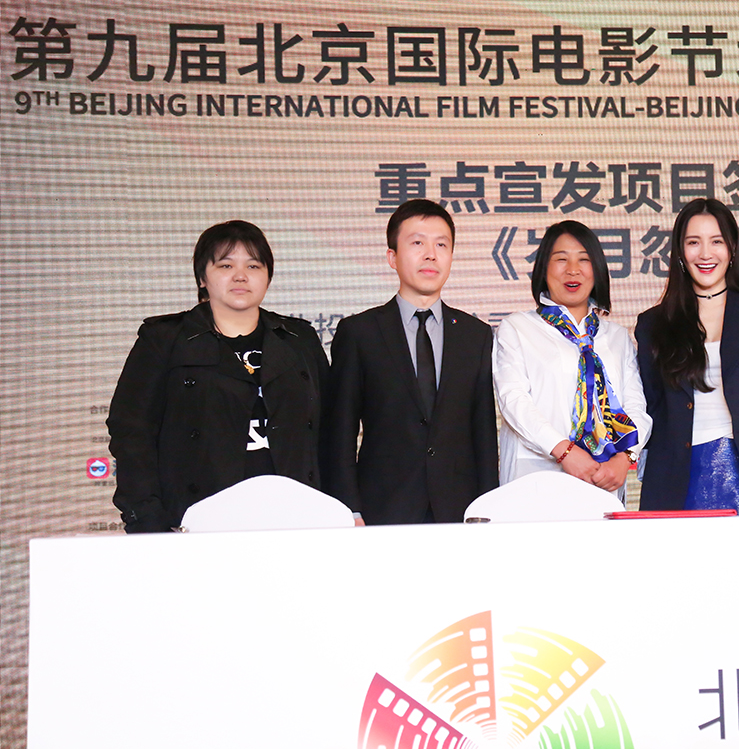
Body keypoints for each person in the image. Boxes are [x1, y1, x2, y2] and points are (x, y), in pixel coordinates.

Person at [108, 221, 328, 533]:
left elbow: (330, 430)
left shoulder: (297, 338)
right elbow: (131, 432)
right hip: (197, 521)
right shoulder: (165, 339)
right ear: (202, 277)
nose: (240, 275)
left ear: (268, 276)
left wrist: (338, 507)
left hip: (294, 515)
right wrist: (147, 520)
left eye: (253, 265)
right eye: (226, 265)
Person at [323, 199, 498, 524]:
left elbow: (484, 434)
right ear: (392, 257)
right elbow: (341, 432)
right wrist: (349, 509)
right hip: (382, 508)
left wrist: (487, 508)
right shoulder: (360, 333)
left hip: (458, 510)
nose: (431, 254)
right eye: (417, 243)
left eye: (441, 245)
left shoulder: (475, 335)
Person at [635, 198, 739, 513]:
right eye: (693, 242)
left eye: (716, 241)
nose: (705, 254)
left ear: (732, 248)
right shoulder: (653, 324)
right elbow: (650, 407)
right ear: (679, 252)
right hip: (673, 474)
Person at [493, 220, 650, 495]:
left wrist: (626, 457)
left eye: (583, 259)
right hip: (534, 479)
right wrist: (564, 451)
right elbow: (513, 400)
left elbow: (636, 405)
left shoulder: (617, 337)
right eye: (561, 259)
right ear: (543, 268)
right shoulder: (517, 328)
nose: (573, 269)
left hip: (603, 480)